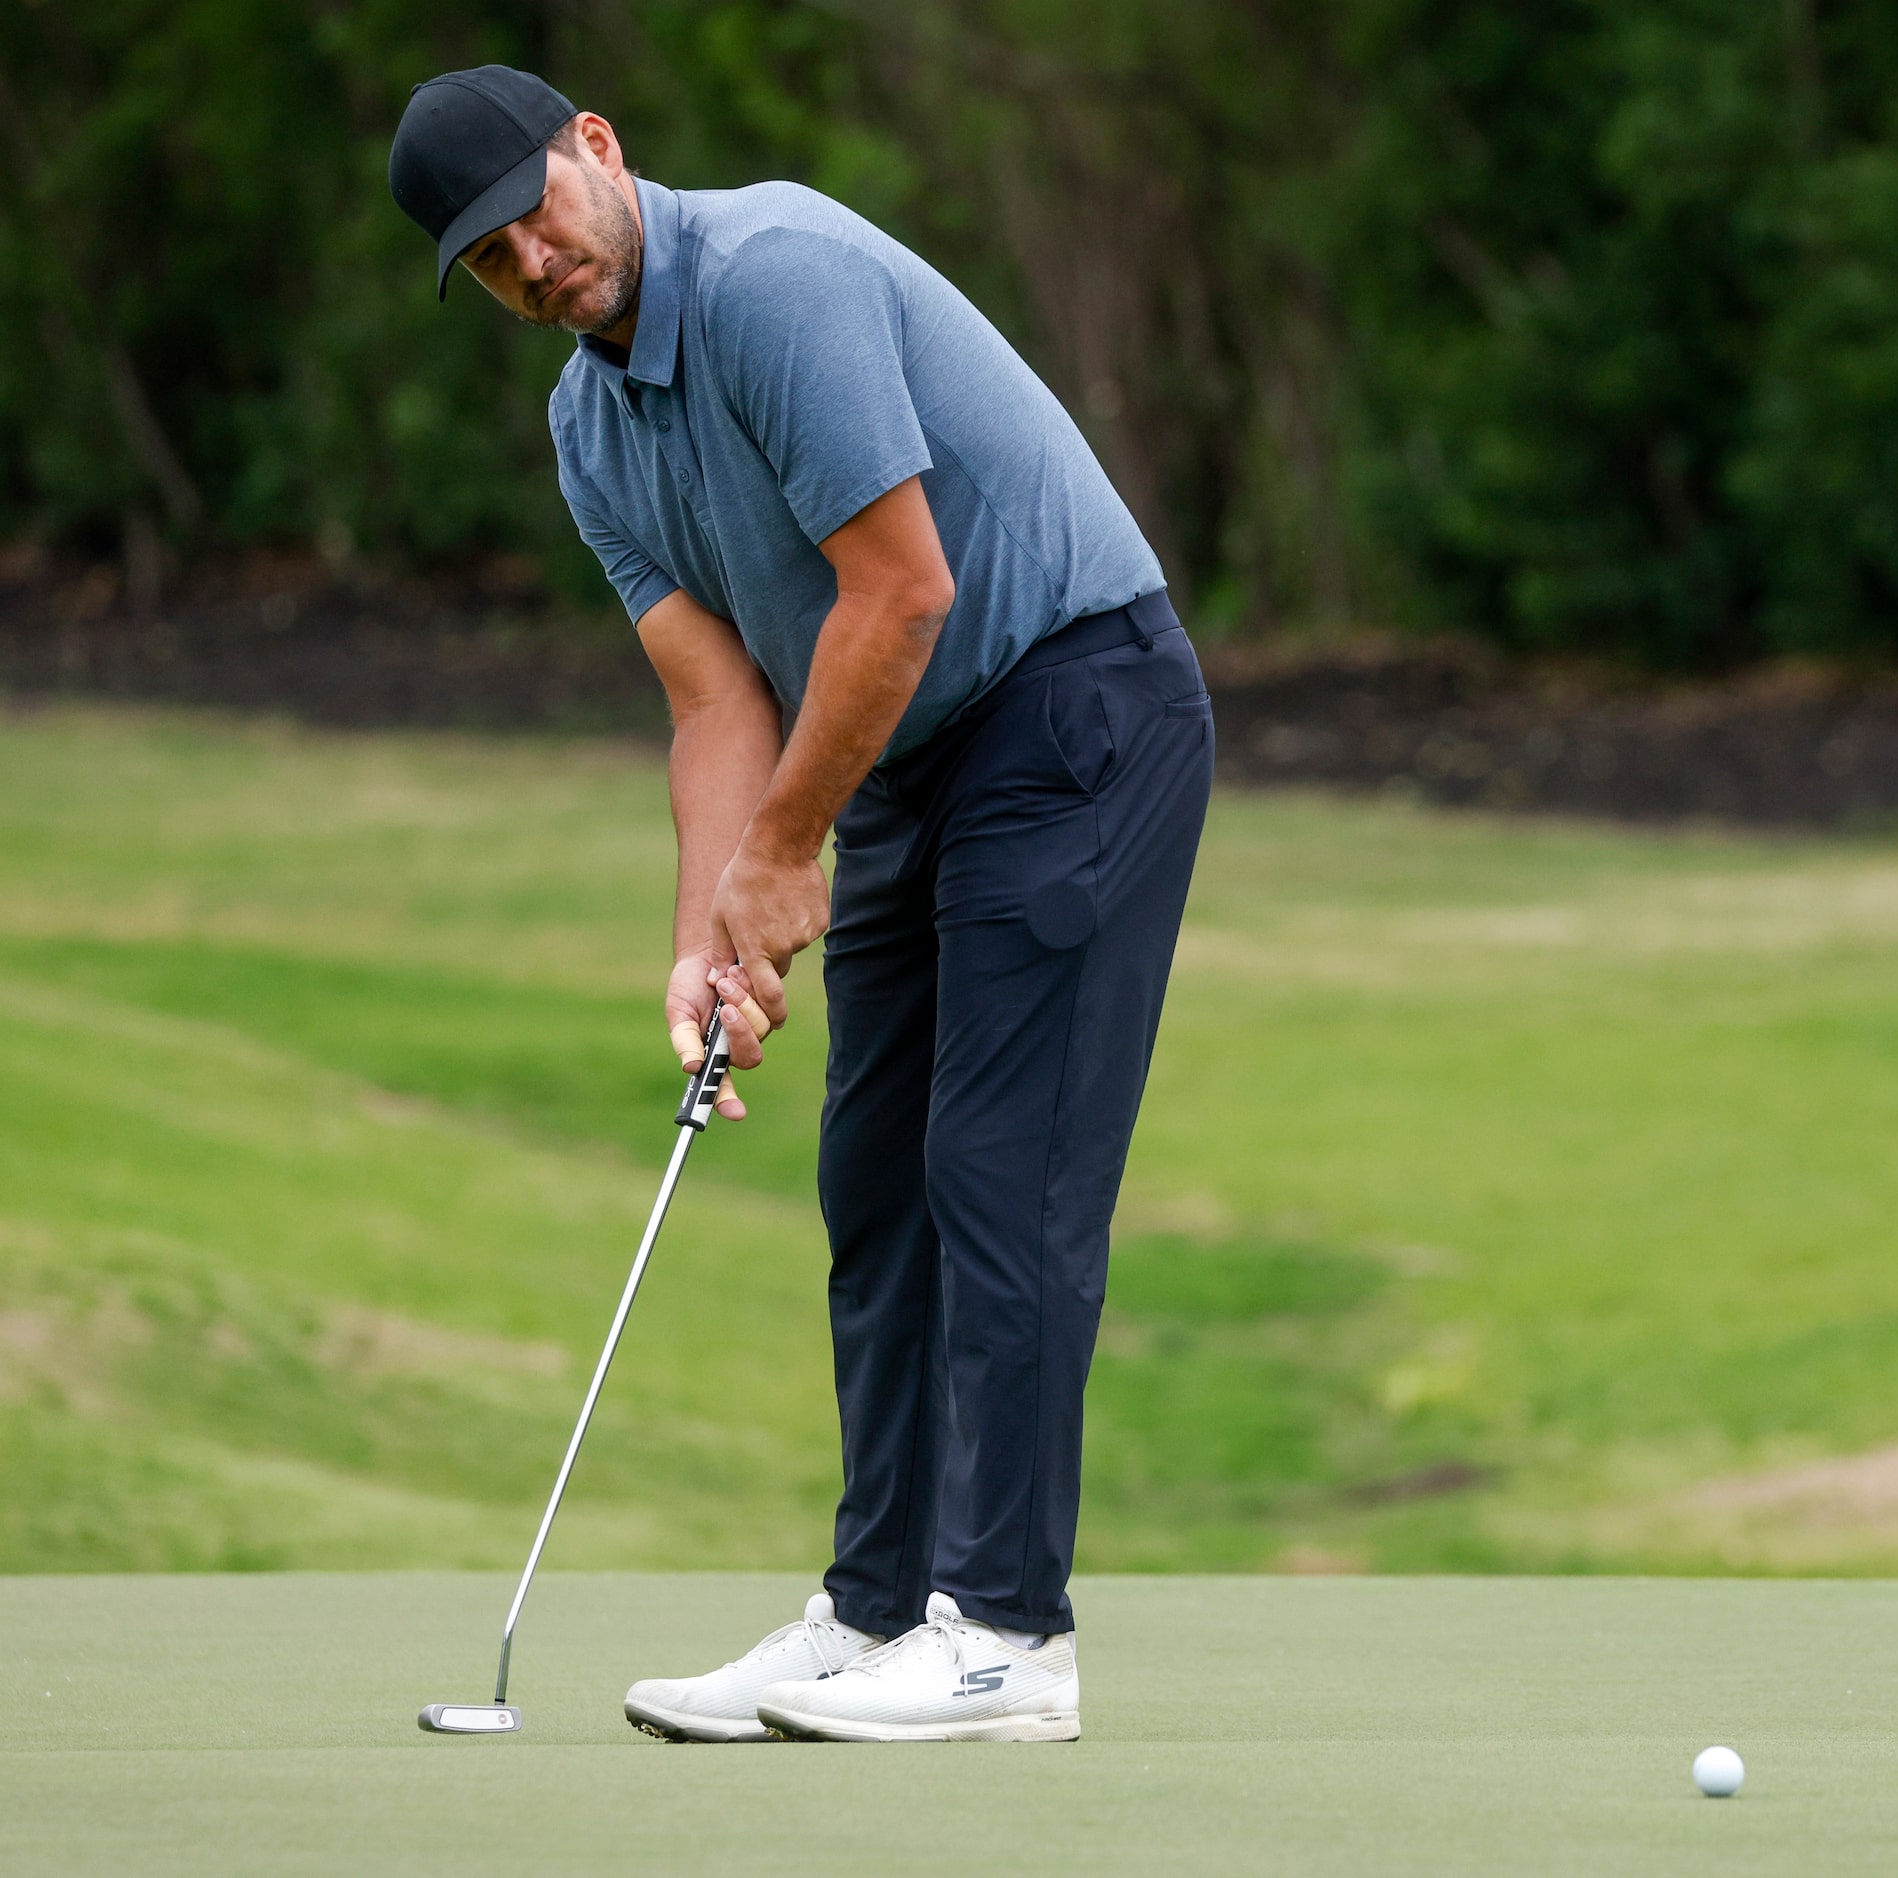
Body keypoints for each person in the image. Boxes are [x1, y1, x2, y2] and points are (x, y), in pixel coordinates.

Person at [389, 66, 1211, 1744]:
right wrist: (709, 934)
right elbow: (715, 706)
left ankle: (1006, 1641)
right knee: (874, 1181)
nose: (532, 265)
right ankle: (875, 1610)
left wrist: (783, 858)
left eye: (533, 212)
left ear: (599, 147)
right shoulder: (585, 424)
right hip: (907, 753)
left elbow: (904, 589)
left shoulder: (773, 280)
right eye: (488, 262)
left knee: (1001, 1169)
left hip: (1073, 703)